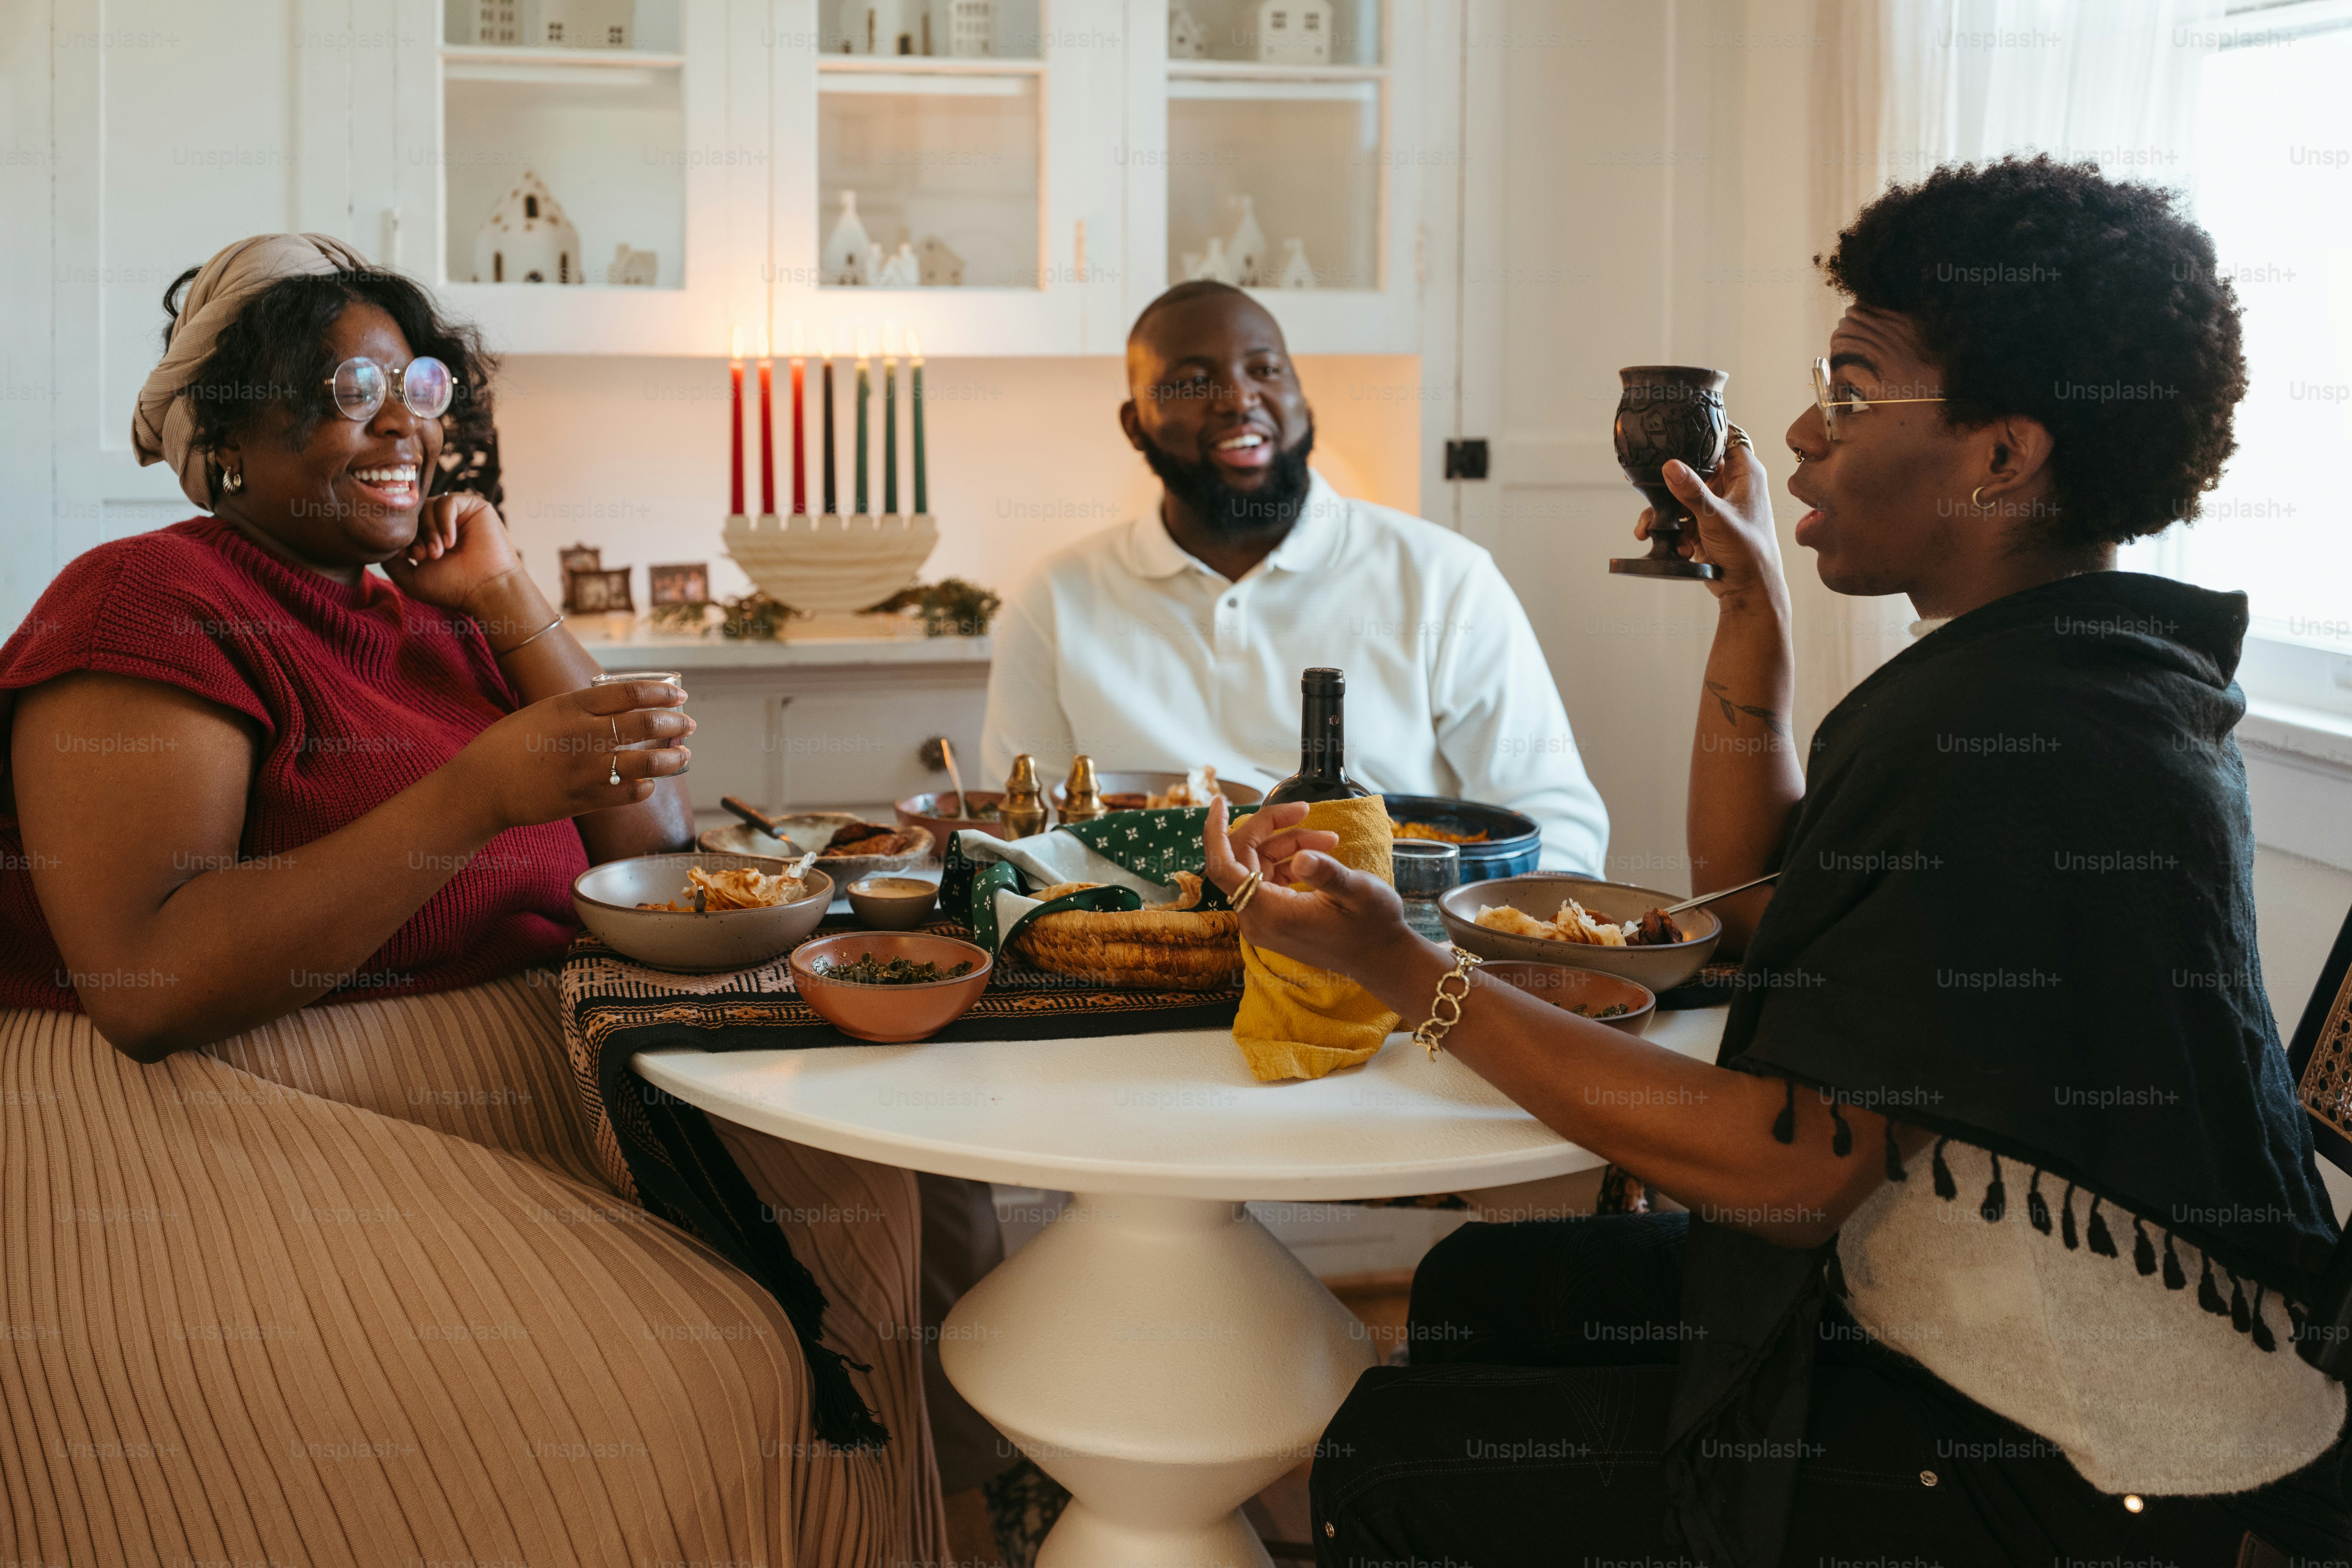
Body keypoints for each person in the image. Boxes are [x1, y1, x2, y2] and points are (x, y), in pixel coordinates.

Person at [1203, 158, 2350, 1563]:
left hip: (2084, 1454)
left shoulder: (2023, 729)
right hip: (1951, 1312)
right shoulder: (2074, 665)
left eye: (1857, 393)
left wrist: (1403, 970)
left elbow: (1789, 1172)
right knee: (1483, 1285)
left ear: (2005, 453)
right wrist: (1751, 603)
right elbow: (1759, 907)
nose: (1803, 432)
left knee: (1391, 1463)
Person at [0, 236, 949, 1566]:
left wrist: (507, 601)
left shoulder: (432, 610)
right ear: (225, 441)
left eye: (423, 387)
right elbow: (147, 979)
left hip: (529, 1083)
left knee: (874, 1206)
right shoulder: (152, 599)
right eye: (347, 389)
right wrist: (476, 796)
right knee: (707, 1372)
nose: (404, 423)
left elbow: (657, 846)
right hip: (249, 1113)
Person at [978, 280, 1609, 873]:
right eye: (1195, 381)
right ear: (1134, 423)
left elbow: (1555, 824)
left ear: (1302, 400)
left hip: (1392, 966)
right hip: (1138, 963)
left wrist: (1439, 944)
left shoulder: (1446, 578)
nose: (1238, 398)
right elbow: (1031, 845)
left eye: (1264, 370)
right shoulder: (1055, 600)